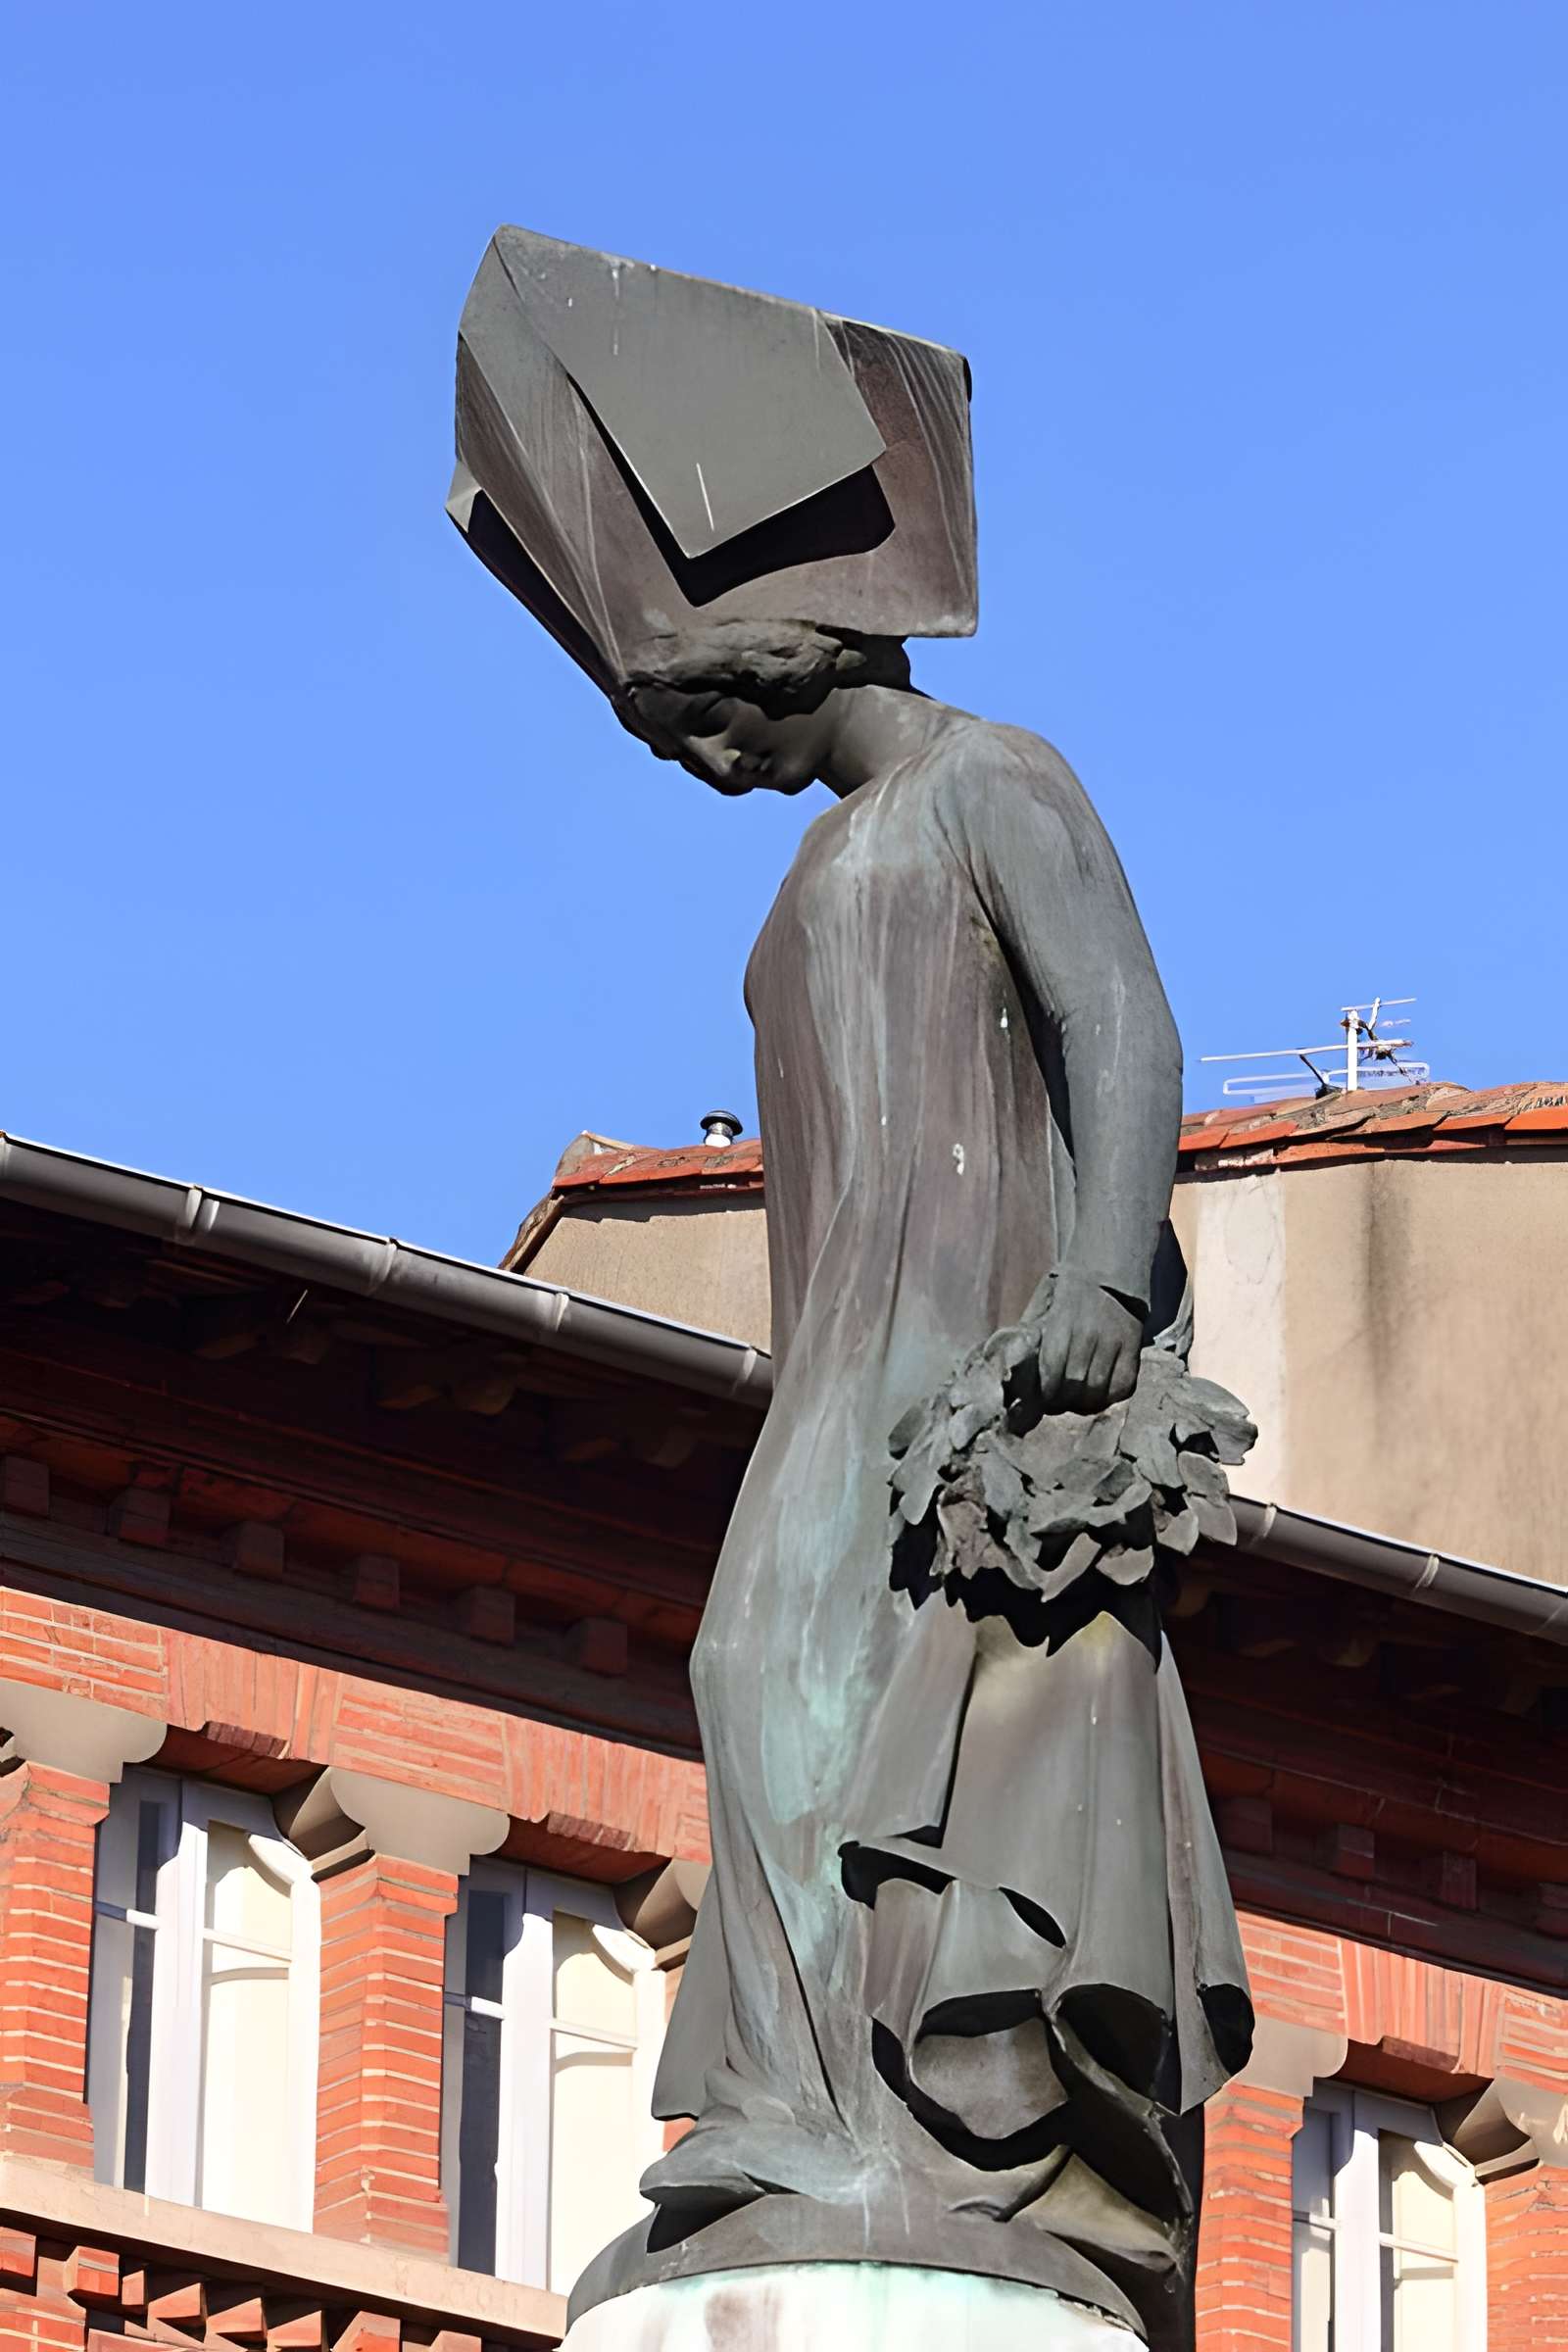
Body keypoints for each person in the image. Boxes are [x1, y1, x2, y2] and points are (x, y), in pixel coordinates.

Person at [579, 620, 1253, 2344]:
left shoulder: (996, 778)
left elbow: (1123, 1024)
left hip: (971, 1316)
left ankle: (885, 2126)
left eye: (711, 721)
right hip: (842, 1337)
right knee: (754, 1668)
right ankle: (801, 2110)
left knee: (811, 1680)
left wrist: (1102, 1284)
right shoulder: (824, 850)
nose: (711, 764)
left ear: (790, 657)